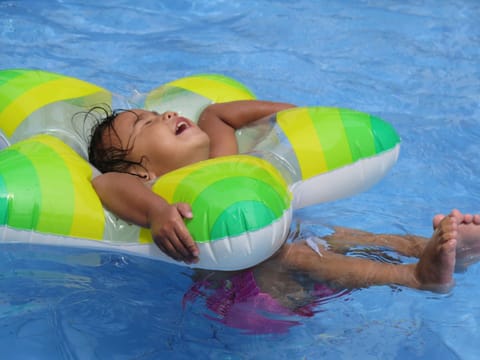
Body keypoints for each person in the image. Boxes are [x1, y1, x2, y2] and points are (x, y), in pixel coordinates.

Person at [86, 100, 480, 299]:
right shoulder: (158, 189)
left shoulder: (223, 155)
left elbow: (218, 114)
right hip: (246, 296)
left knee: (336, 234)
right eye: (147, 122)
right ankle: (415, 278)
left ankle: (430, 249)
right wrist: (157, 212)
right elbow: (107, 186)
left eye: (158, 110)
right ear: (141, 169)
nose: (166, 113)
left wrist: (302, 117)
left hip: (301, 247)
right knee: (292, 253)